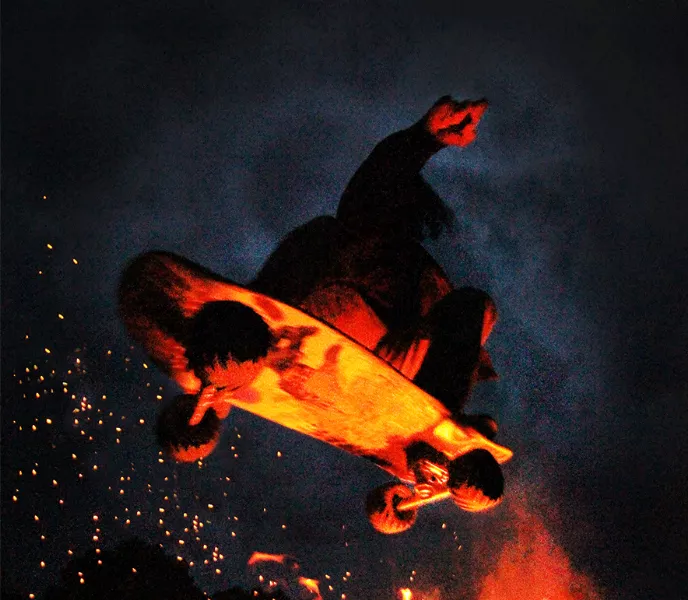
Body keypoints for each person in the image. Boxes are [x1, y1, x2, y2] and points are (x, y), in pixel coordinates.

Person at [188, 96, 499, 429]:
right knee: (346, 233)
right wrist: (425, 136)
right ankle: (235, 350)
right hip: (342, 336)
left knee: (474, 307)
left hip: (389, 360)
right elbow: (378, 179)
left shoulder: (409, 267)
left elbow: (377, 184)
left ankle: (440, 418)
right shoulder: (367, 232)